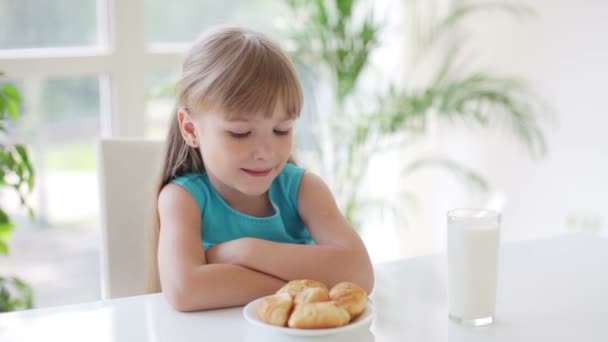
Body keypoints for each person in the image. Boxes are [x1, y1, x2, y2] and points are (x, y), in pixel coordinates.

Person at [147, 25, 374, 312]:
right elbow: (185, 290)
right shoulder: (182, 199)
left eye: (281, 130)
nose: (266, 152)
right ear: (191, 128)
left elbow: (360, 274)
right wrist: (308, 286)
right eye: (240, 133)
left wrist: (242, 251)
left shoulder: (304, 189)